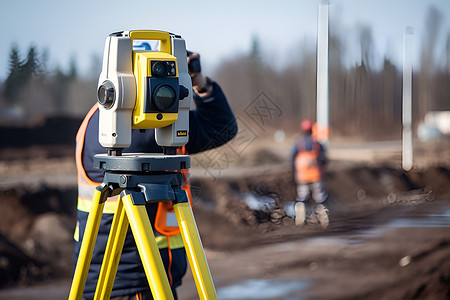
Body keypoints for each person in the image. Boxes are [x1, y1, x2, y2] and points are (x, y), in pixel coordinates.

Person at [74, 51, 238, 300]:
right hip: (139, 281)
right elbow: (223, 127)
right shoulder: (149, 127)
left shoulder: (98, 118)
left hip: (101, 277)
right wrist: (197, 80)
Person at [285, 119, 329, 228]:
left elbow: (292, 158)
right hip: (315, 175)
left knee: (302, 197)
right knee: (320, 198)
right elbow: (324, 159)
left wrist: (294, 172)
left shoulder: (298, 142)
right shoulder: (316, 143)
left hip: (302, 176)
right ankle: (324, 221)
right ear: (311, 129)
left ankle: (300, 220)